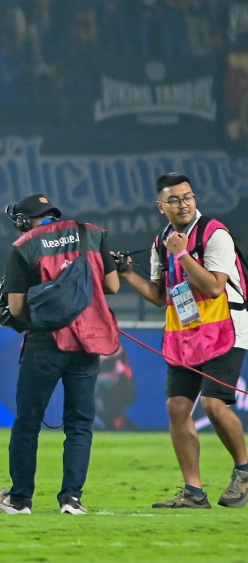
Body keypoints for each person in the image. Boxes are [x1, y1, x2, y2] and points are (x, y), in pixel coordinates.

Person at [119, 172, 248, 509]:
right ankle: (193, 492)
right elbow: (160, 296)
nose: (183, 204)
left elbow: (215, 287)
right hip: (187, 332)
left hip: (226, 327)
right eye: (174, 200)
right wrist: (127, 273)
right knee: (177, 407)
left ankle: (245, 471)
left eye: (187, 197)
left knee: (213, 404)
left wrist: (182, 255)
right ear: (160, 206)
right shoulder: (161, 241)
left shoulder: (214, 233)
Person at [0, 193, 120, 515]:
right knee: (79, 424)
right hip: (88, 342)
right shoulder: (91, 234)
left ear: (23, 220)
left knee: (27, 423)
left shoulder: (23, 245)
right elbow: (112, 286)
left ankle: (21, 499)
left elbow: (17, 308)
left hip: (45, 344)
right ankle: (71, 499)